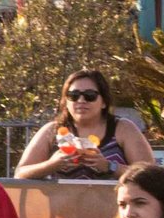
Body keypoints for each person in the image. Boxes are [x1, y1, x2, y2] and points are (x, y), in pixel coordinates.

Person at [15, 68, 154, 180]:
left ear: (104, 102)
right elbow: (20, 173)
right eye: (73, 95)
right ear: (66, 102)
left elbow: (151, 175)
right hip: (61, 211)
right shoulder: (52, 131)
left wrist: (108, 166)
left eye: (90, 95)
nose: (81, 100)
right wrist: (52, 165)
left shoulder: (123, 129)